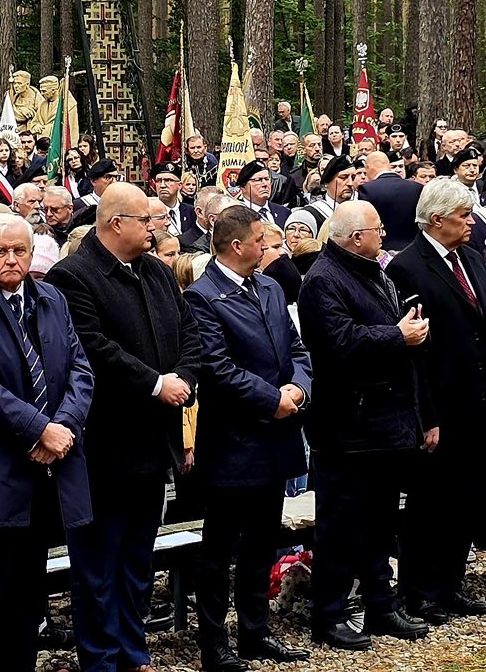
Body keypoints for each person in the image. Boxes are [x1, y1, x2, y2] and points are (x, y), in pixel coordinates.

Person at [44, 182, 203, 672]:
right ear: (116, 223)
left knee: (137, 558)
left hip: (154, 443)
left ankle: (133, 652)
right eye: (146, 220)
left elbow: (189, 331)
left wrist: (184, 378)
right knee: (99, 562)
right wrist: (156, 384)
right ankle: (101, 658)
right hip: (106, 447)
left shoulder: (154, 271)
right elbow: (93, 348)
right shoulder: (74, 276)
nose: (155, 228)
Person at [0, 213, 95, 672]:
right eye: (1, 251)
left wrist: (62, 426)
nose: (11, 259)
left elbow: (80, 368)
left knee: (30, 588)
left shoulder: (50, 298)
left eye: (20, 250)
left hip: (51, 467)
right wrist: (38, 429)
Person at [182, 205, 313, 671]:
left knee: (261, 543)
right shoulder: (202, 297)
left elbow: (296, 348)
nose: (268, 247)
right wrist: (270, 398)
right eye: (261, 240)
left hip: (277, 435)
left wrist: (299, 388)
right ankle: (214, 643)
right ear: (237, 245)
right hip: (233, 444)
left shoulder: (270, 287)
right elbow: (216, 368)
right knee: (219, 550)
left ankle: (255, 632)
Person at [297, 199, 432, 650]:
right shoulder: (323, 280)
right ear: (356, 238)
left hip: (384, 419)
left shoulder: (373, 270)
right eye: (377, 230)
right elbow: (338, 342)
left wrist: (406, 330)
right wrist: (397, 335)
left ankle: (380, 604)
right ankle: (329, 614)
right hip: (348, 424)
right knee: (340, 525)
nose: (384, 236)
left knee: (380, 520)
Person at [388, 179, 486, 621]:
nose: (472, 222)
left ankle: (452, 584)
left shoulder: (469, 258)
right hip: (439, 405)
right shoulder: (407, 267)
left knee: (468, 498)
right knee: (430, 504)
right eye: (463, 216)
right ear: (436, 220)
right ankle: (420, 592)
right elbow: (414, 352)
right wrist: (426, 414)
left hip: (477, 401)